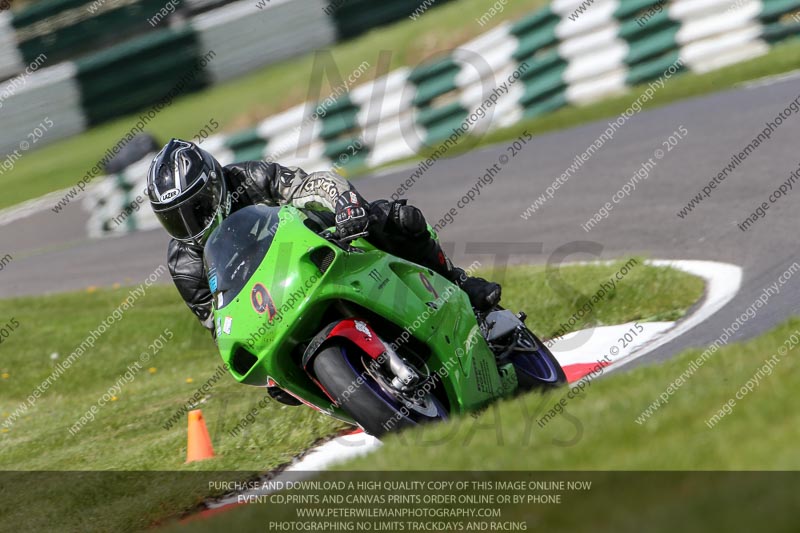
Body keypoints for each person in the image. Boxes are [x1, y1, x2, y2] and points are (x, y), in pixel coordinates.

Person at [146, 138, 501, 340]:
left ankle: (459, 283)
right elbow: (219, 326)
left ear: (215, 185)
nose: (188, 225)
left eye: (195, 209)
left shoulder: (247, 177)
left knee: (397, 219)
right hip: (272, 302)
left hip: (319, 243)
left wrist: (346, 203)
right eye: (173, 218)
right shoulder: (184, 264)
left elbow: (309, 185)